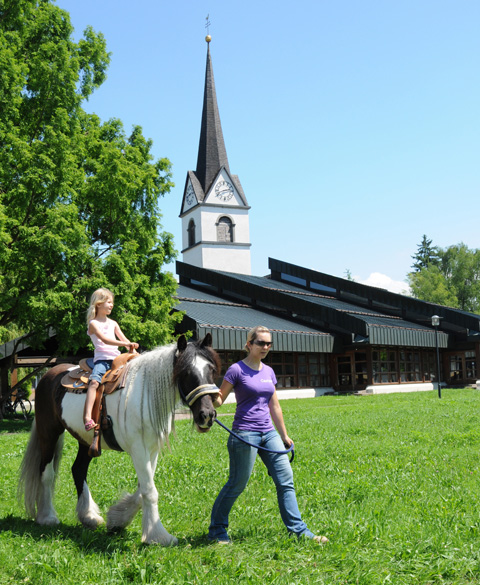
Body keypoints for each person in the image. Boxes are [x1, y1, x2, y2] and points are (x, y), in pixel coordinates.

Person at [208, 325, 328, 545]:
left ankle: (299, 531)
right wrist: (205, 401)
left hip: (268, 433)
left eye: (268, 343)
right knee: (237, 483)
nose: (265, 347)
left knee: (286, 480)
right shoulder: (236, 370)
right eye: (261, 343)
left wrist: (284, 435)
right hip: (244, 433)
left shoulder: (269, 372)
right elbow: (219, 399)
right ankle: (217, 530)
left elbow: (275, 406)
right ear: (249, 344)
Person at [83, 288, 138, 431]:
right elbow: (105, 340)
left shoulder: (113, 323)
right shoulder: (93, 324)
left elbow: (125, 340)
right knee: (94, 382)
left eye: (112, 302)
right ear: (98, 304)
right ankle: (87, 417)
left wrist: (135, 352)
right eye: (108, 302)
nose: (111, 305)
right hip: (102, 360)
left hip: (117, 360)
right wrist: (126, 344)